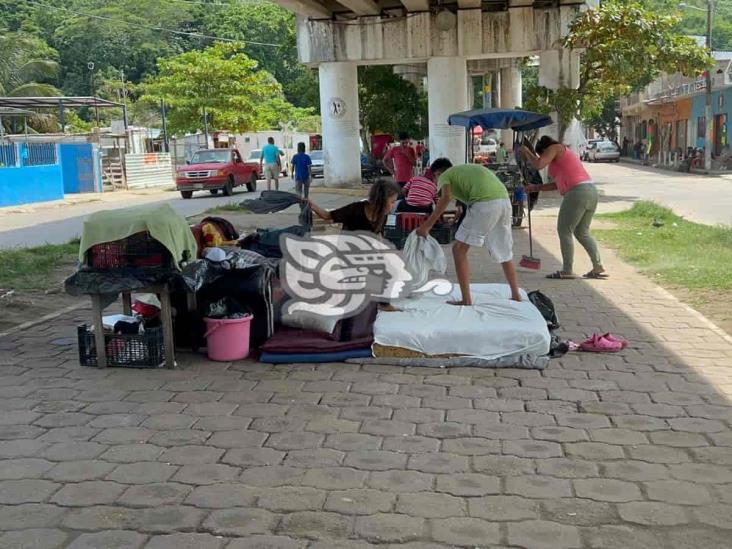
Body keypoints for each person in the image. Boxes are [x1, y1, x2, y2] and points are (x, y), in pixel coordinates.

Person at [416, 158, 521, 305]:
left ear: (438, 173)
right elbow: (468, 196)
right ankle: (516, 294)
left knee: (458, 250)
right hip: (503, 201)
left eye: (435, 178)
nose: (436, 183)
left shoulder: (445, 175)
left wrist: (427, 226)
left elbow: (445, 198)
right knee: (504, 251)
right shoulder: (463, 172)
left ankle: (466, 300)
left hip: (485, 204)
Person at [520, 135, 606, 280]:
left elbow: (538, 164)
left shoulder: (555, 148)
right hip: (590, 191)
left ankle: (567, 270)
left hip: (577, 193)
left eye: (542, 154)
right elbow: (556, 184)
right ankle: (598, 266)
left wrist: (526, 152)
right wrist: (536, 187)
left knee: (564, 230)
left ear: (544, 149)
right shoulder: (562, 159)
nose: (544, 158)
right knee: (581, 231)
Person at [308, 179, 401, 234]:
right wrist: (312, 205)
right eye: (392, 202)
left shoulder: (383, 216)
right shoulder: (355, 210)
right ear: (381, 200)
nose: (394, 206)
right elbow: (328, 215)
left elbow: (378, 236)